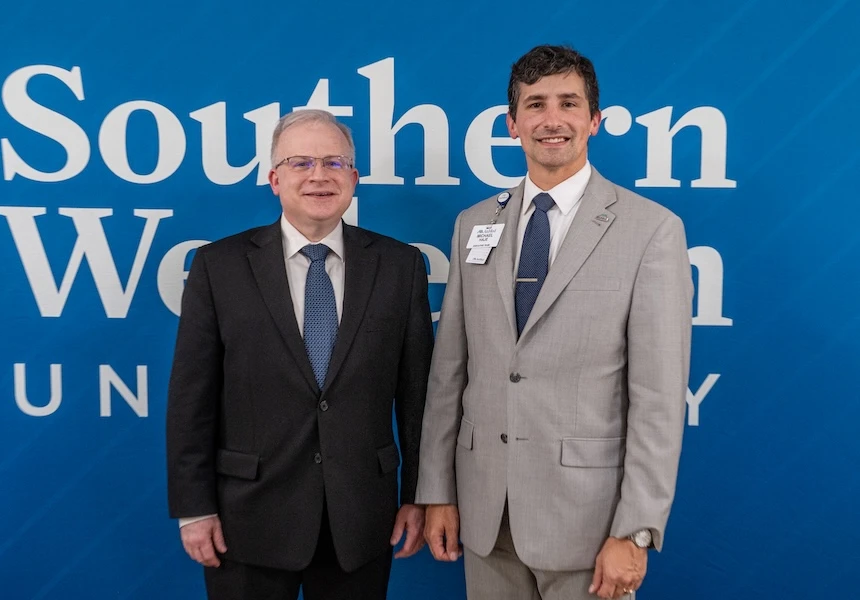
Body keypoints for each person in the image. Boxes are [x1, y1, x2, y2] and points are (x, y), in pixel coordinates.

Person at [416, 45, 693, 600]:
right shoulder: (474, 224)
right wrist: (436, 490)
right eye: (535, 104)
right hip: (485, 516)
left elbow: (659, 402)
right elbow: (450, 372)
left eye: (569, 103)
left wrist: (635, 532)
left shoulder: (651, 230)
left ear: (594, 119)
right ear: (511, 123)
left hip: (589, 527)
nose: (552, 119)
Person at [166, 109, 433, 600]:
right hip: (245, 521)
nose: (319, 176)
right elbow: (191, 399)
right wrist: (194, 508)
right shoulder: (218, 267)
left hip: (361, 518)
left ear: (354, 177)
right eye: (300, 163)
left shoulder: (400, 267)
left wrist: (419, 495)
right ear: (273, 178)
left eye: (334, 162)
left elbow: (417, 399)